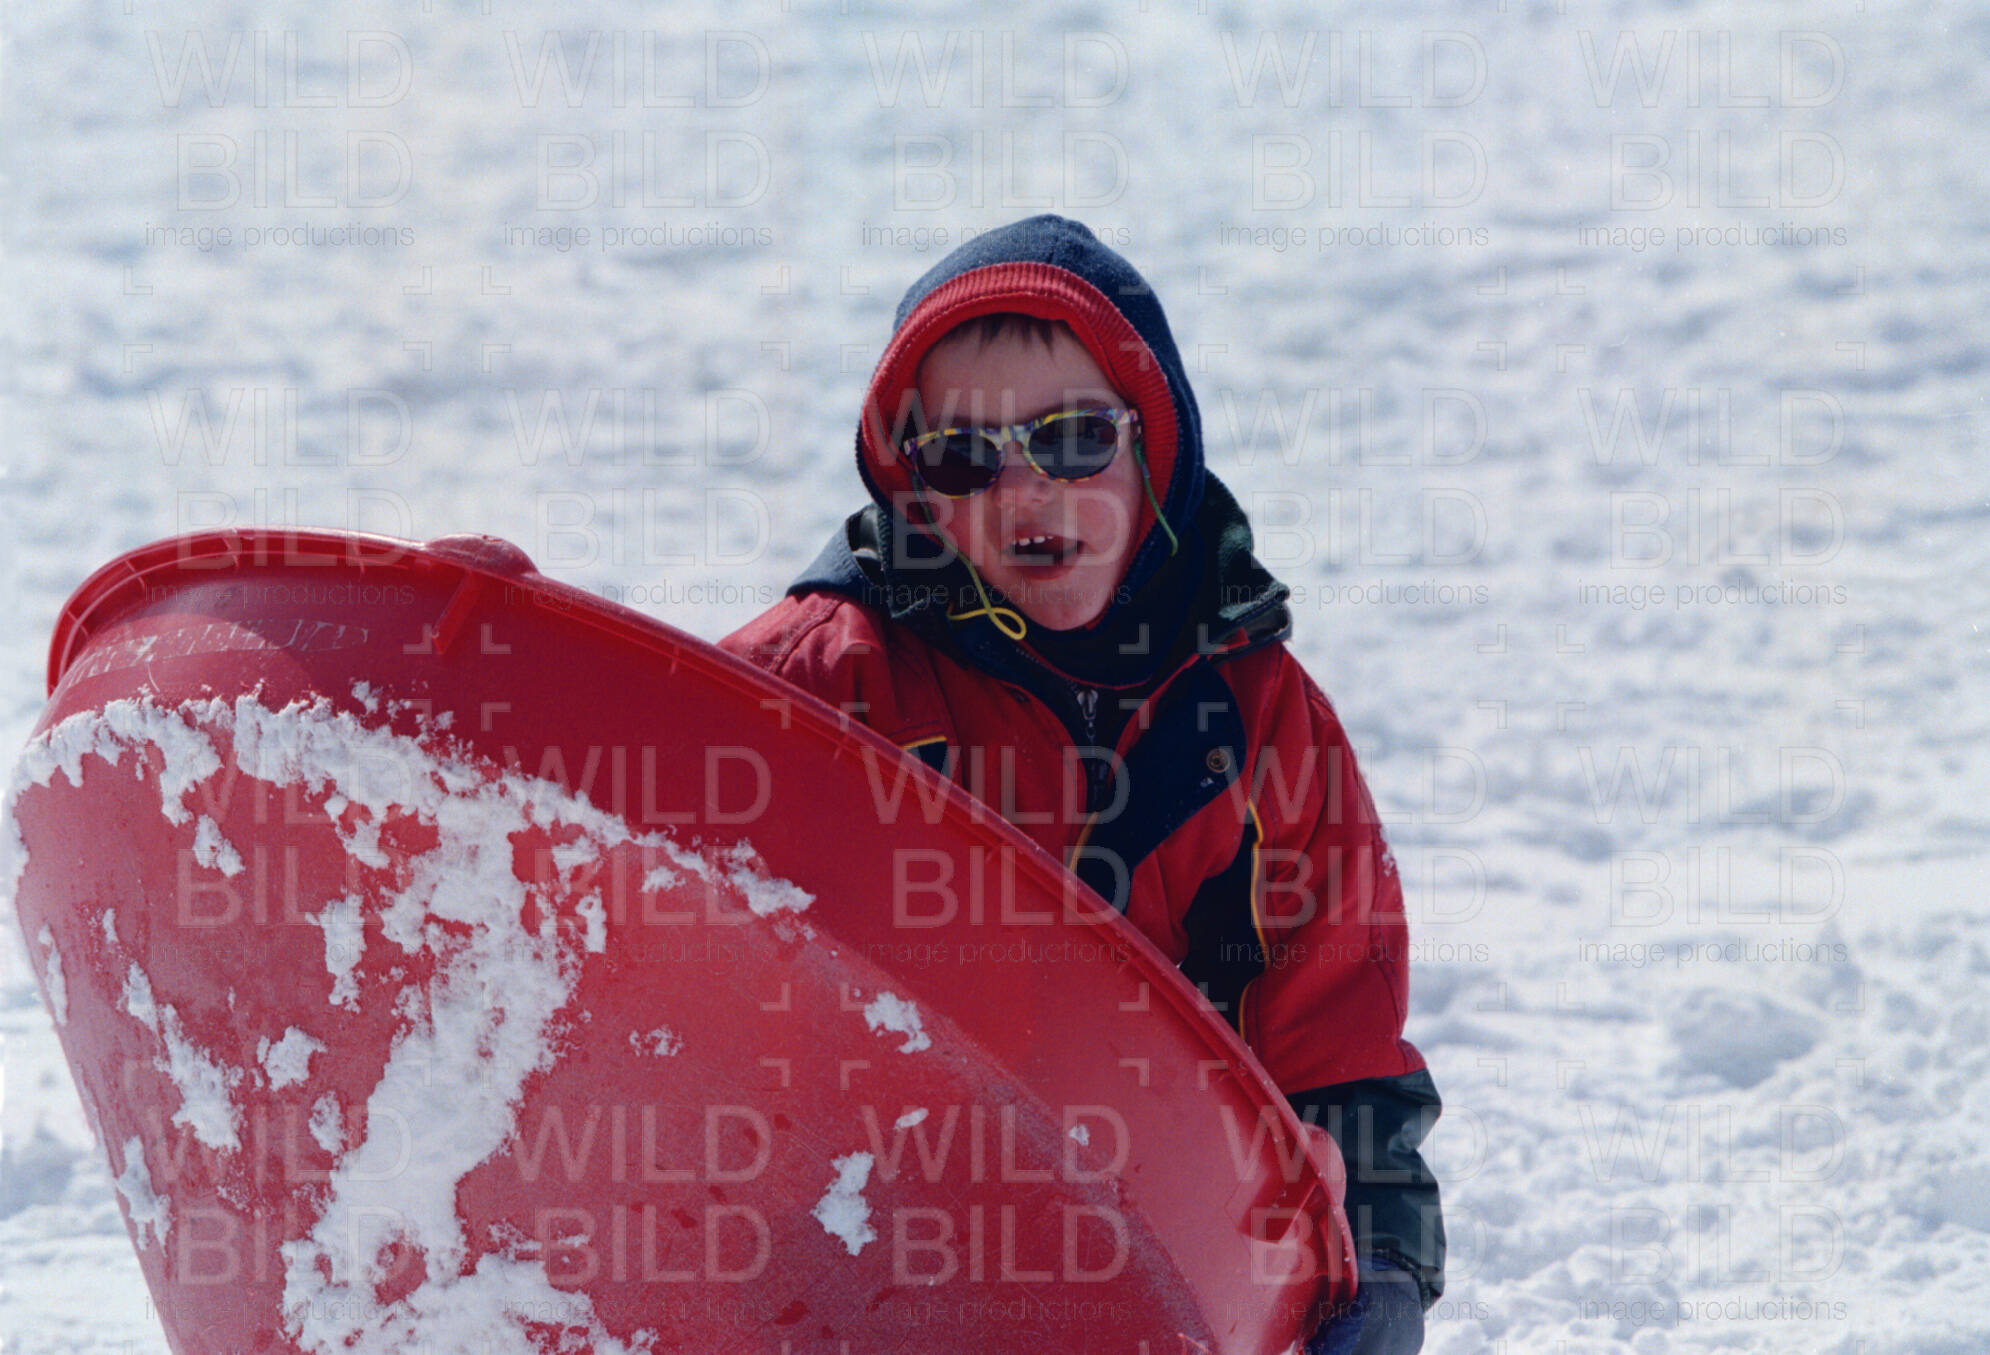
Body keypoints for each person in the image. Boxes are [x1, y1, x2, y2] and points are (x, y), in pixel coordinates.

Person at [717, 214, 1443, 1352]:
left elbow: (1335, 1037)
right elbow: (626, 831)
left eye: (1072, 437)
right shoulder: (834, 681)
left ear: (1153, 447)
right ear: (916, 491)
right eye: (965, 458)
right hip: (846, 1251)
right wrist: (504, 671)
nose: (1026, 490)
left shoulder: (1257, 724)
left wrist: (1381, 1258)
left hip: (1150, 1265)